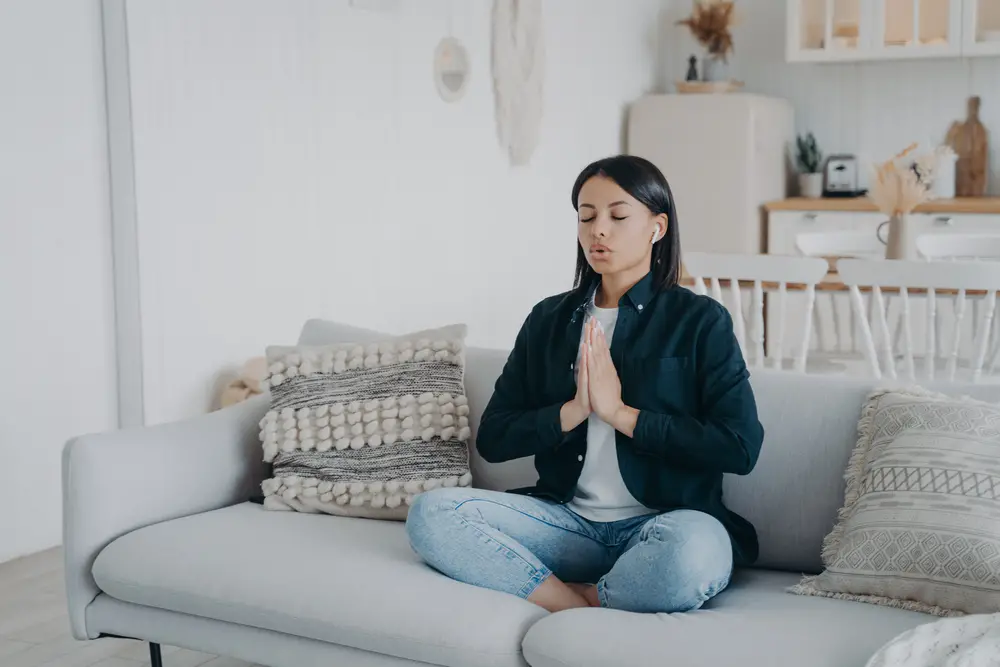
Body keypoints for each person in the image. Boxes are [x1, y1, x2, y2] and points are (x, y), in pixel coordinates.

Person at [406, 155, 764, 614]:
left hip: (667, 525)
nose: (599, 230)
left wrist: (621, 415)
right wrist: (573, 411)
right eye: (587, 216)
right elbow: (495, 438)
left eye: (617, 216)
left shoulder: (699, 321)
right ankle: (572, 604)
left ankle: (591, 598)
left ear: (657, 228)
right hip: (567, 524)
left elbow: (739, 446)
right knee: (432, 514)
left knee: (695, 556)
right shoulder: (548, 320)